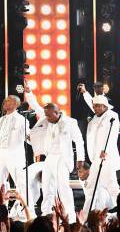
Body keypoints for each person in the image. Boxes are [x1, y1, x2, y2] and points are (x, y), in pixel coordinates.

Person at [25, 91, 84, 222]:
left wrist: (81, 158)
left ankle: (70, 216)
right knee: (46, 186)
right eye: (45, 115)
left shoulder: (70, 122)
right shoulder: (46, 119)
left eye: (49, 115)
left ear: (57, 113)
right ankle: (47, 213)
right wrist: (29, 93)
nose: (46, 117)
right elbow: (35, 106)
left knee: (63, 187)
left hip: (63, 158)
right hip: (49, 157)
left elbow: (79, 141)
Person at [85, 95, 120, 212]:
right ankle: (90, 212)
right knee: (92, 185)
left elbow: (112, 135)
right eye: (93, 106)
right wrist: (85, 93)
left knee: (112, 186)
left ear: (104, 106)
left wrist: (105, 151)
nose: (94, 108)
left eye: (96, 106)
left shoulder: (112, 116)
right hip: (96, 157)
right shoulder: (96, 117)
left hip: (106, 157)